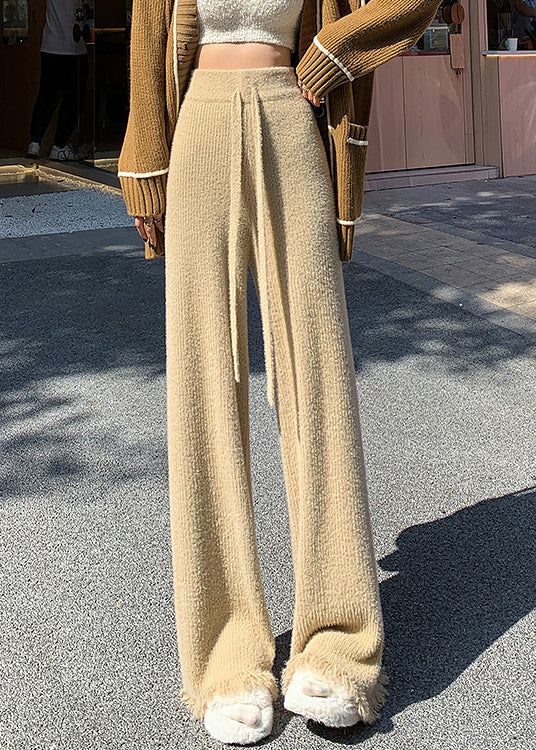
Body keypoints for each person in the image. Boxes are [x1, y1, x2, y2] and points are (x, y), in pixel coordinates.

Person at [117, 0, 442, 744]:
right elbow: (147, 36)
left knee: (317, 376)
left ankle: (338, 645)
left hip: (292, 121)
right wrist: (143, 168)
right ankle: (226, 658)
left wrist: (332, 52)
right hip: (199, 122)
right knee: (202, 387)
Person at [26, 0, 89, 161]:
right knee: (73, 99)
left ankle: (35, 142)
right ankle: (59, 145)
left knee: (47, 97)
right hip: (73, 48)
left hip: (51, 44)